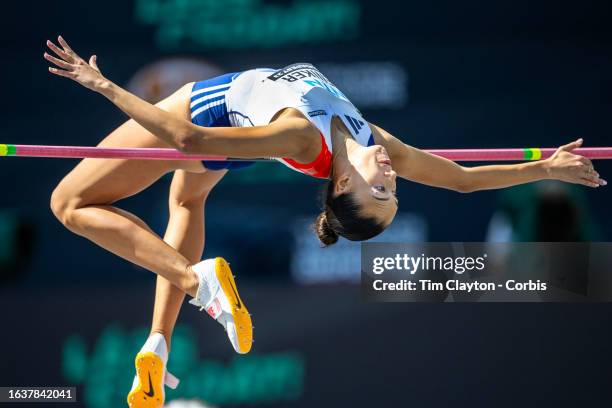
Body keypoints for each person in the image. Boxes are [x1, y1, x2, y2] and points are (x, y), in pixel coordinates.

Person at [43, 36, 605, 408]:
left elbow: (190, 140)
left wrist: (105, 87)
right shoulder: (377, 142)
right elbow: (461, 179)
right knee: (186, 205)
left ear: (341, 186)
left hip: (202, 113)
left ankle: (196, 282)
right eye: (393, 189)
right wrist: (544, 166)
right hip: (233, 131)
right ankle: (158, 342)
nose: (389, 175)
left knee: (69, 204)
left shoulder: (301, 137)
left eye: (378, 189)